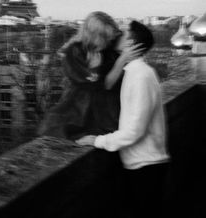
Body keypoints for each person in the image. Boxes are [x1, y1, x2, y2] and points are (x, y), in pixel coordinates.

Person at [76, 20, 170, 218]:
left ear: (132, 44)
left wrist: (97, 141)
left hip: (145, 167)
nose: (118, 34)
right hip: (143, 164)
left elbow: (134, 130)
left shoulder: (140, 76)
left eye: (124, 34)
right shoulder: (137, 72)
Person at [39, 11, 141, 140]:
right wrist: (121, 60)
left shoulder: (106, 50)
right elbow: (101, 85)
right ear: (95, 36)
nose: (109, 40)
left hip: (105, 110)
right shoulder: (75, 52)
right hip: (82, 110)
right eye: (106, 37)